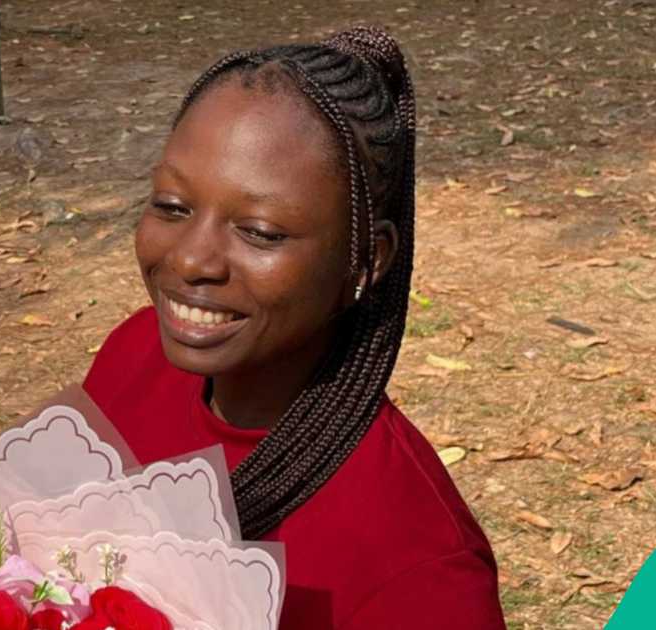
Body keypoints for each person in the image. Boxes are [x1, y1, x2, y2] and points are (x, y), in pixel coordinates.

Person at [83, 25, 505, 630]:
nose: (191, 260)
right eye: (173, 207)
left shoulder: (416, 565)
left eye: (259, 232)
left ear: (367, 258)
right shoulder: (134, 358)